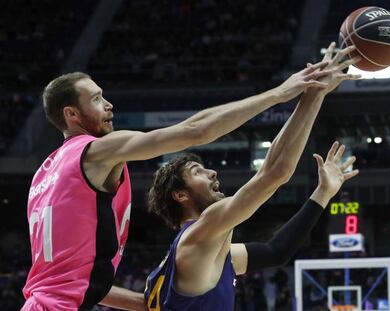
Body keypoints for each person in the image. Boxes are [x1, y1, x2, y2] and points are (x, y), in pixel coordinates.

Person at [21, 42, 344, 310]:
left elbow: (276, 251)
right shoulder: (98, 151)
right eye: (96, 99)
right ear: (71, 114)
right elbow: (202, 134)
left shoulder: (44, 175)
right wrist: (286, 93)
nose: (108, 105)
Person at [144, 43, 360, 310]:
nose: (212, 172)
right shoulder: (199, 234)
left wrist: (323, 193)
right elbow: (274, 172)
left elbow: (276, 252)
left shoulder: (201, 254)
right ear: (180, 195)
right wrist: (314, 95)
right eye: (196, 172)